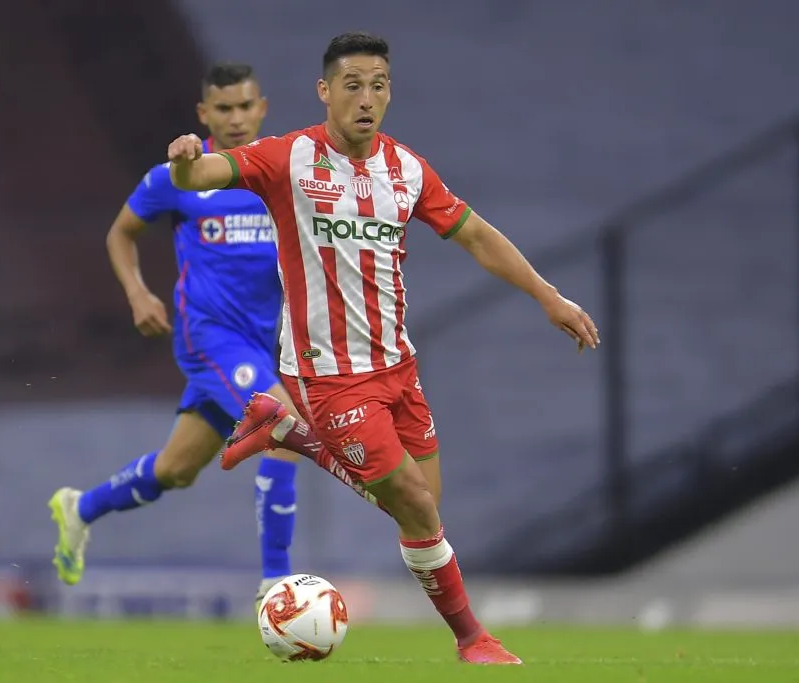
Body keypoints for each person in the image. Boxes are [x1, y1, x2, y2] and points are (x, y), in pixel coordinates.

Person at [164, 34, 599, 665]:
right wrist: (182, 161)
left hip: (398, 366)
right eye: (352, 85)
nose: (367, 99)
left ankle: (289, 431)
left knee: (425, 506)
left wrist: (547, 296)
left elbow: (474, 234)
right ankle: (472, 639)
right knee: (415, 506)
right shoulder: (288, 159)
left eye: (378, 85)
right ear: (325, 92)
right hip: (329, 374)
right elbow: (202, 174)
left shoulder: (407, 169)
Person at [48, 62, 383, 605]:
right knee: (284, 426)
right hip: (208, 337)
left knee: (175, 469)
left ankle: (79, 508)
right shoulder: (178, 178)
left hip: (260, 344)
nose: (235, 118)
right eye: (222, 109)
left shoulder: (281, 173)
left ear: (262, 108)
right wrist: (137, 293)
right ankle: (276, 584)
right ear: (205, 114)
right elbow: (121, 234)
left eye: (244, 106)